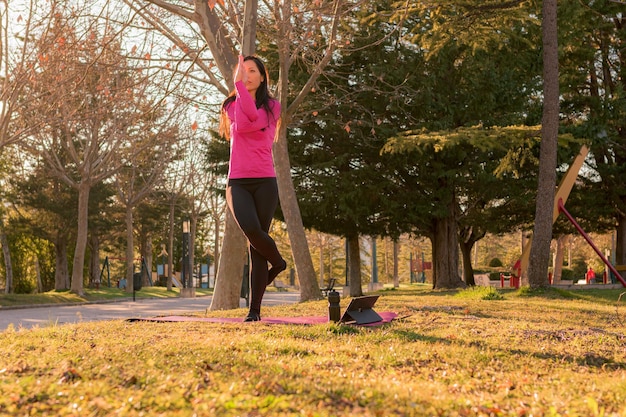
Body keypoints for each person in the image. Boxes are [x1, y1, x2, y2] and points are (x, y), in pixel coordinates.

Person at [219, 55, 287, 322]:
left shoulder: (273, 107)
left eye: (251, 71)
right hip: (237, 181)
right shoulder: (231, 105)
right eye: (241, 71)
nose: (245, 76)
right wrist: (237, 88)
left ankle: (254, 311)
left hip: (265, 182)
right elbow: (246, 121)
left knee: (256, 246)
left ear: (262, 77)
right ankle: (279, 262)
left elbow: (255, 120)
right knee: (251, 229)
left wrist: (239, 88)